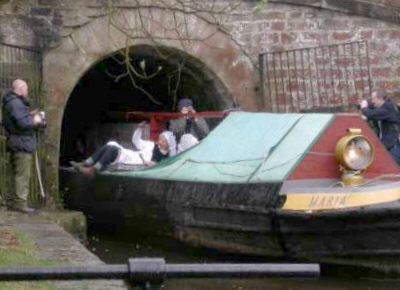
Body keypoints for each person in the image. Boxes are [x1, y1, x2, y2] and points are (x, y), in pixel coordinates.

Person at [72, 122, 177, 178]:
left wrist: (150, 163)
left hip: (136, 164)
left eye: (163, 141)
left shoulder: (166, 158)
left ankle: (92, 169)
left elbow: (160, 167)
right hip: (132, 156)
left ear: (169, 144)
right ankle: (86, 163)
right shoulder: (151, 145)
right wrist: (139, 130)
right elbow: (136, 141)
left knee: (112, 149)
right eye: (160, 139)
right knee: (110, 145)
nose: (160, 142)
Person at [1, 79, 44, 214]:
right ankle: (20, 203)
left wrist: (28, 115)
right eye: (25, 89)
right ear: (19, 89)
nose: (27, 92)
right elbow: (23, 124)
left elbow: (18, 120)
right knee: (22, 175)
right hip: (22, 143)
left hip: (16, 141)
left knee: (15, 172)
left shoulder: (11, 103)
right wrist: (35, 120)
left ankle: (11, 200)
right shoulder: (15, 103)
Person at [360, 89, 400, 165]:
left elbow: (372, 114)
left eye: (373, 99)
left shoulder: (388, 108)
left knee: (392, 168)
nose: (372, 101)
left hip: (393, 146)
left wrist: (364, 108)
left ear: (380, 98)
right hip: (388, 145)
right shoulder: (384, 107)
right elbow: (373, 110)